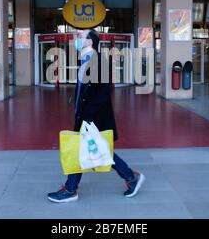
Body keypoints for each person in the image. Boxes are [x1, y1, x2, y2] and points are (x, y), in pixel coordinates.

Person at [47, 29, 145, 203]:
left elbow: (103, 93)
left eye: (80, 37)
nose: (76, 39)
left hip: (93, 117)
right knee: (98, 149)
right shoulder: (86, 60)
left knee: (95, 149)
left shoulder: (99, 62)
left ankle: (71, 189)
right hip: (84, 114)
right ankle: (130, 178)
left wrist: (86, 115)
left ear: (89, 42)